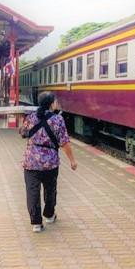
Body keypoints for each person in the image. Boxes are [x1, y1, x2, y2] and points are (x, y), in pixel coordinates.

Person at [19, 91, 77, 233]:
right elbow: (64, 142)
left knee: (32, 191)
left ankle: (36, 224)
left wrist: (23, 121)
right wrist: (72, 160)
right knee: (50, 190)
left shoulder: (31, 117)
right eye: (55, 101)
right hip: (50, 162)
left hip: (31, 161)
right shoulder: (58, 120)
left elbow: (22, 133)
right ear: (52, 104)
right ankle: (49, 215)